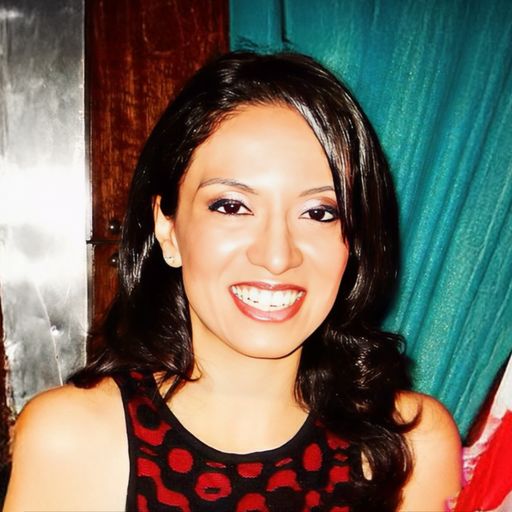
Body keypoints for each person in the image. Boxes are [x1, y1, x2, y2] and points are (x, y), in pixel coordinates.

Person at [3, 52, 461, 512]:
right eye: (232, 206)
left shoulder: (412, 447)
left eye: (319, 213)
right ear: (168, 229)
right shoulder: (72, 440)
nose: (277, 256)